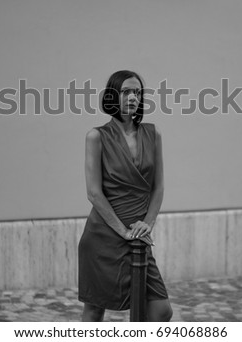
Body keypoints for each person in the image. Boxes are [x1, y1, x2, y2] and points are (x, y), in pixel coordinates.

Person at [78, 70, 173, 322]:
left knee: (161, 310)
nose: (133, 97)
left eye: (137, 92)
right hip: (103, 237)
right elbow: (93, 193)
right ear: (113, 96)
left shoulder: (153, 134)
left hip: (138, 236)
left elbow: (158, 187)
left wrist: (147, 224)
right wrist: (123, 230)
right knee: (95, 310)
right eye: (126, 91)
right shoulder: (96, 137)